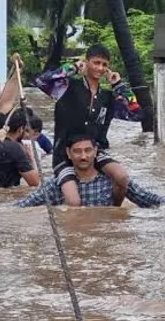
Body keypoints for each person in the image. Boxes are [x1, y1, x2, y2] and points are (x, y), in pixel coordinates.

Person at [26, 45, 141, 207]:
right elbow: (40, 81)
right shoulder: (66, 87)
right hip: (65, 155)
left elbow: (135, 114)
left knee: (121, 177)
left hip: (95, 152)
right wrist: (71, 68)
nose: (100, 68)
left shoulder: (107, 97)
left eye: (104, 65)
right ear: (86, 63)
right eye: (96, 63)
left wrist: (118, 85)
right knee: (73, 201)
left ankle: (113, 211)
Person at [15, 135, 165, 210]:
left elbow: (146, 198)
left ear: (96, 151)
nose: (83, 156)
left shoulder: (111, 180)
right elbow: (24, 206)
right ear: (69, 154)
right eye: (77, 151)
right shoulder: (57, 185)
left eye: (88, 150)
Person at [0, 108, 41, 187]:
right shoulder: (15, 148)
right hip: (5, 196)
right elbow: (35, 183)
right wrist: (31, 157)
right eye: (26, 130)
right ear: (21, 129)